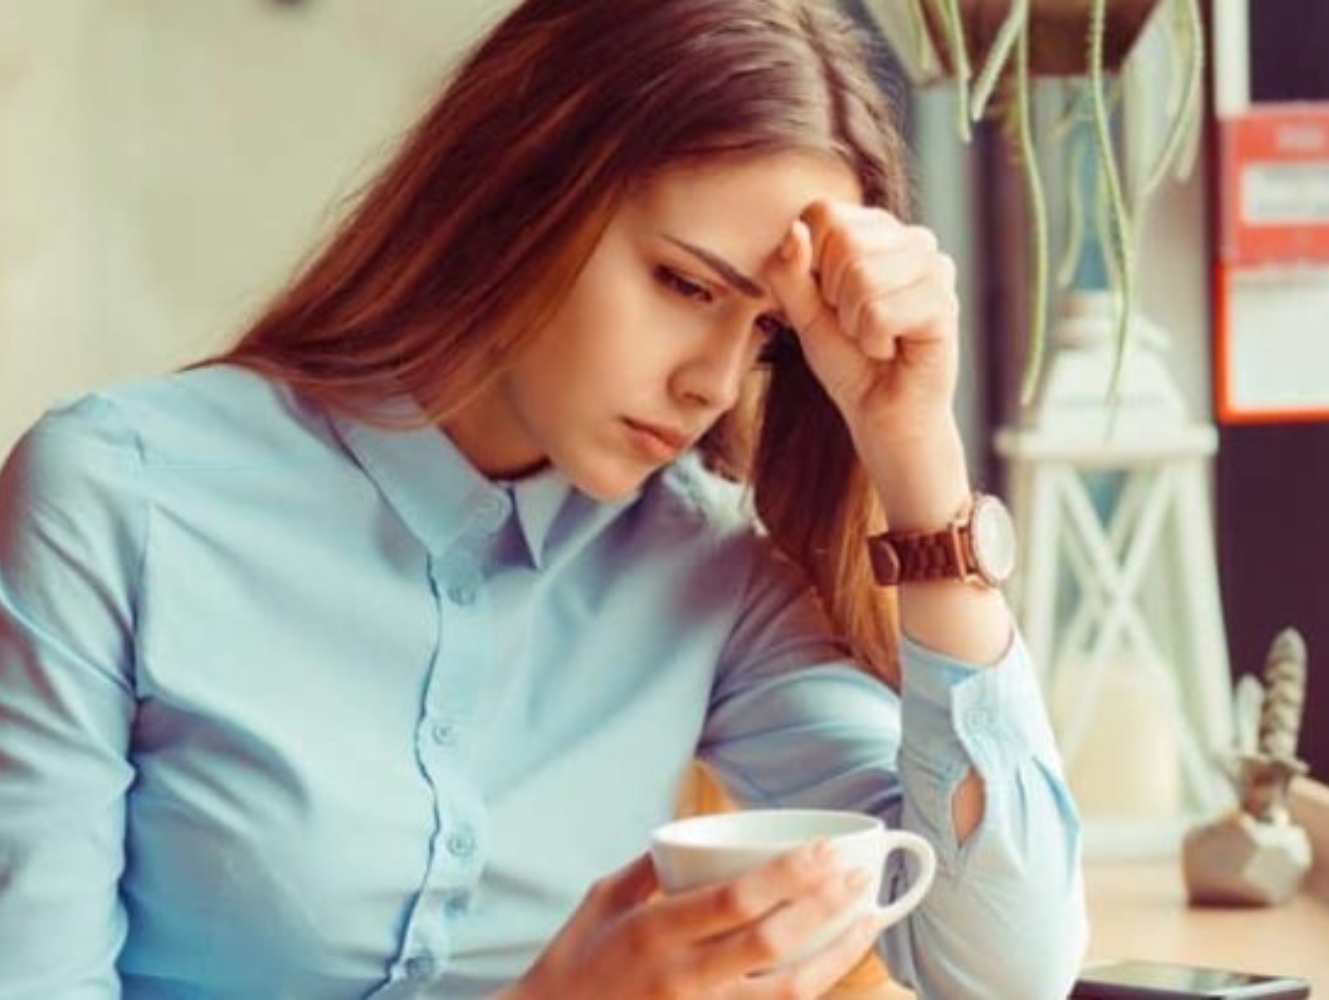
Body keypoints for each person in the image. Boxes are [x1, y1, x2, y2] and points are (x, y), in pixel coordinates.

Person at [0, 1, 1088, 997]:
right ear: (521, 187)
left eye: (765, 332)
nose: (711, 382)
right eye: (685, 285)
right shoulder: (118, 498)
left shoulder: (706, 569)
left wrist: (913, 449)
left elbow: (999, 961)